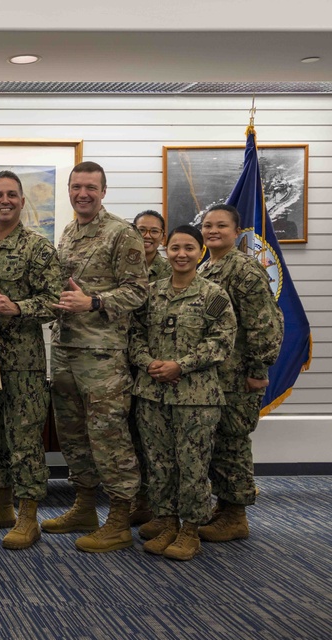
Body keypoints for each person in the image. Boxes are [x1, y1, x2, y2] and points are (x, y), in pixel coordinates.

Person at [46, 161, 148, 553]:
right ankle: (85, 506)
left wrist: (95, 301)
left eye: (90, 187)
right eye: (76, 187)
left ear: (103, 191)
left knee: (109, 436)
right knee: (73, 436)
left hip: (103, 355)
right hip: (66, 348)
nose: (82, 193)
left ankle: (120, 519)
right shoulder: (69, 232)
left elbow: (138, 291)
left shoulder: (122, 233)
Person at [0, 171, 62, 550]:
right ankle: (0, 505)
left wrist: (17, 307)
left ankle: (29, 516)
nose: (4, 200)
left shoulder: (38, 248)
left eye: (12, 195)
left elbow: (56, 302)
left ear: (22, 202)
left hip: (22, 361)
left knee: (24, 439)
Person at [130, 224, 236, 560]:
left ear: (200, 251)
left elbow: (221, 342)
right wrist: (147, 362)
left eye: (189, 248)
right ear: (166, 250)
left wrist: (181, 364)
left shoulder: (213, 295)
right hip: (152, 393)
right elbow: (133, 335)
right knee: (159, 465)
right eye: (175, 247)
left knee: (192, 465)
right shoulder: (151, 293)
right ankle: (167, 524)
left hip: (197, 398)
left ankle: (190, 530)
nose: (181, 254)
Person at [196, 204, 283, 542]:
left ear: (236, 232)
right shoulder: (208, 269)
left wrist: (258, 369)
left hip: (237, 376)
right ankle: (224, 506)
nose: (212, 231)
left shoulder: (244, 270)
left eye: (221, 225)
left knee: (232, 444)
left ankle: (235, 516)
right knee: (218, 443)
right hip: (214, 375)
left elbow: (264, 324)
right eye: (207, 225)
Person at [128, 209, 173, 525]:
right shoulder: (122, 267)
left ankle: (161, 508)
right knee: (131, 434)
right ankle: (139, 501)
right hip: (122, 361)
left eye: (154, 231)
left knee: (157, 440)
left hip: (158, 367)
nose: (147, 236)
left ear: (163, 237)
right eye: (141, 230)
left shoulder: (172, 271)